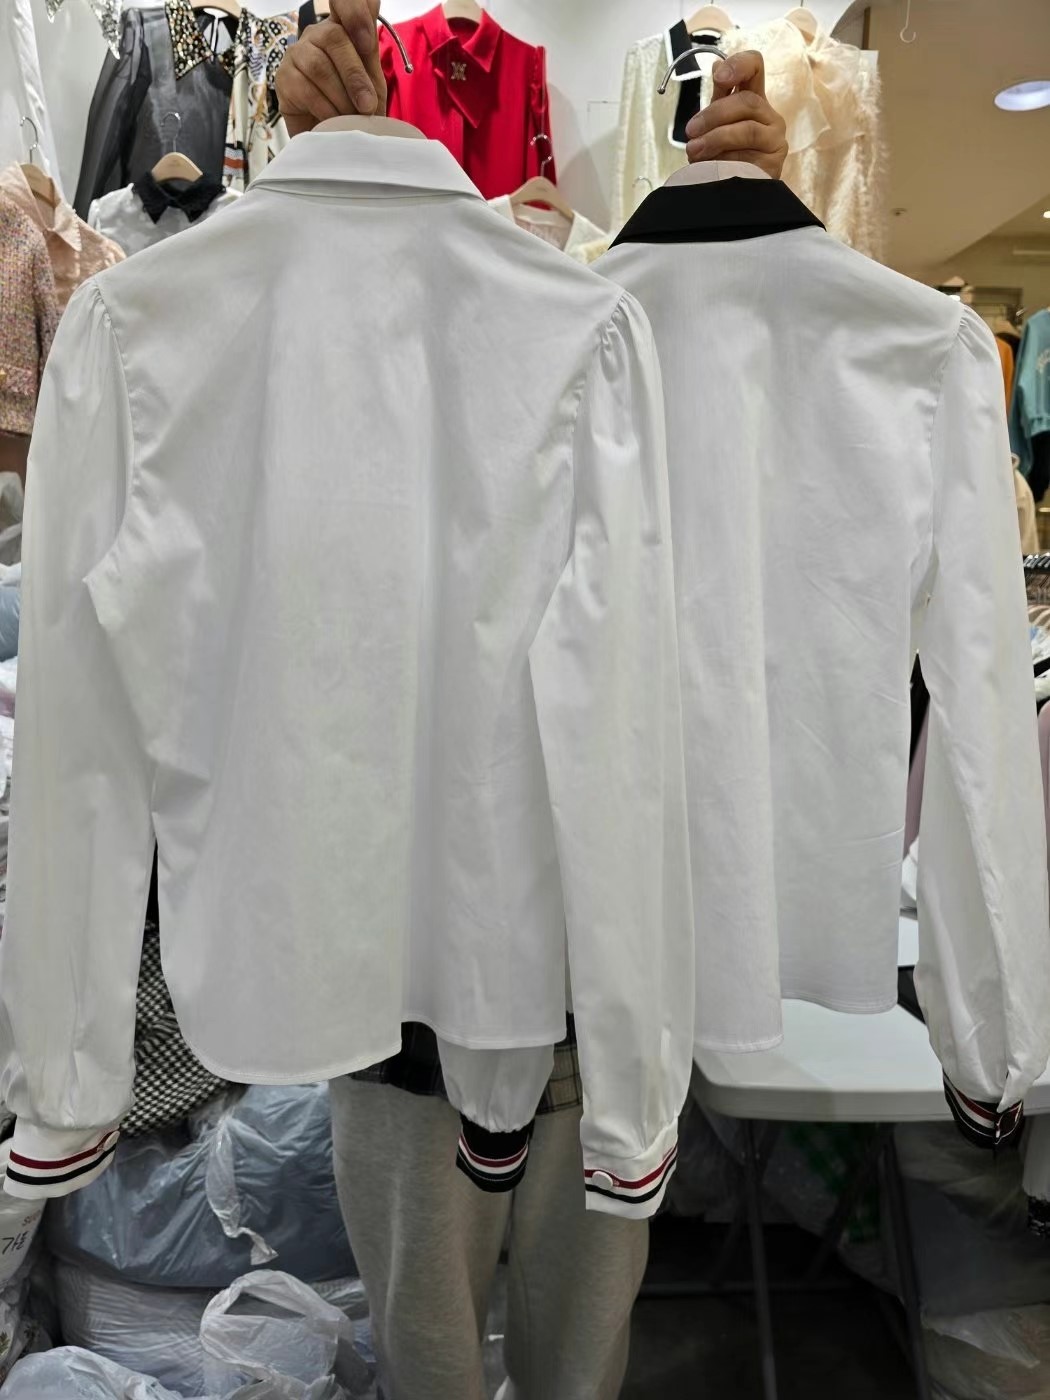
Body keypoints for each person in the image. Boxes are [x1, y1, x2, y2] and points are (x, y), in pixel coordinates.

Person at [276, 11, 789, 1399]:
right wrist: (312, 182)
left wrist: (754, 229)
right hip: (404, 979)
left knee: (583, 1355)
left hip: (608, 972)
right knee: (428, 1351)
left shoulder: (649, 311)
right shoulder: (389, 322)